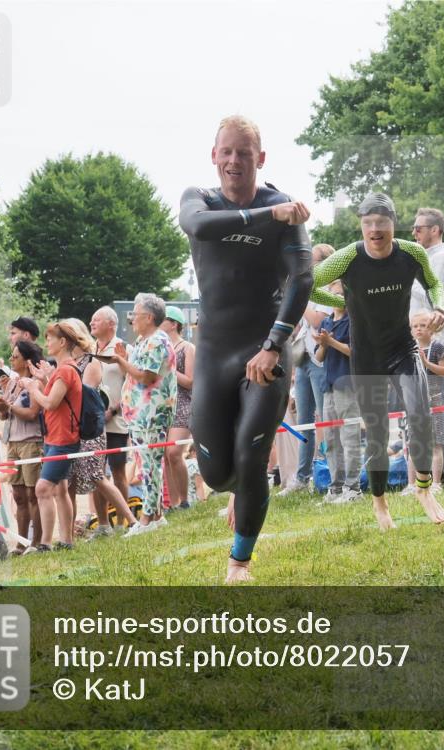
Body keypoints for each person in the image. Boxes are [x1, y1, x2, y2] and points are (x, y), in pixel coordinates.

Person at [178, 115, 313, 583]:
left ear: (261, 158)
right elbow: (197, 227)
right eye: (227, 152)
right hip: (215, 351)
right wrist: (264, 218)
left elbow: (304, 278)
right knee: (217, 473)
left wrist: (275, 345)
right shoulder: (201, 199)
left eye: (244, 152)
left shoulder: (283, 206)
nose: (235, 160)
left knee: (251, 453)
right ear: (214, 156)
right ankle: (237, 491)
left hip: (266, 351)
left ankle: (240, 562)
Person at [310, 192, 444, 531]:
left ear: (392, 224)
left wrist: (440, 307)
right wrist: (345, 300)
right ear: (361, 226)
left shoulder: (411, 252)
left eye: (381, 223)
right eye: (367, 223)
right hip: (366, 354)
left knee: (419, 414)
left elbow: (433, 283)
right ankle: (380, 503)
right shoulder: (347, 258)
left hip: (403, 347)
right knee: (376, 434)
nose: (374, 229)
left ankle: (425, 489)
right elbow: (309, 285)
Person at [60, 318, 137, 539]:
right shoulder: (72, 361)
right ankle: (92, 529)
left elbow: (82, 394)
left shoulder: (91, 360)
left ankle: (129, 522)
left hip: (97, 426)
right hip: (80, 428)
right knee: (80, 479)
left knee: (101, 475)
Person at [114, 294, 177, 535]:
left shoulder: (158, 341)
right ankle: (157, 514)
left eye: (135, 315)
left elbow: (147, 376)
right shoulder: (143, 340)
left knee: (150, 466)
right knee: (145, 464)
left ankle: (147, 518)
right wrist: (125, 359)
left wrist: (121, 360)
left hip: (152, 413)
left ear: (149, 317)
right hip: (138, 414)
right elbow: (136, 371)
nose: (132, 320)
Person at [410, 207, 444, 485]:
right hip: (420, 341)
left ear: (435, 230)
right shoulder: (424, 258)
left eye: (419, 228)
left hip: (433, 344)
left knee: (435, 408)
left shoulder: (440, 258)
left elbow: (433, 304)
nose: (414, 233)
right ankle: (428, 466)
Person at [23, 321, 85, 551]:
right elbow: (59, 398)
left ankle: (46, 543)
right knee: (60, 489)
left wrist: (33, 388)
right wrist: (45, 380)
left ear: (62, 342)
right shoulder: (63, 370)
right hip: (56, 437)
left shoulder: (66, 370)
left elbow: (50, 403)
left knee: (43, 488)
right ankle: (66, 541)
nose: (46, 342)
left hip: (62, 439)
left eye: (50, 338)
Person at [282, 244, 335, 495]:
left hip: (321, 361)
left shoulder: (331, 288)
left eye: (311, 261)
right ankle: (302, 478)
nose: (307, 266)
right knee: (304, 422)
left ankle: (332, 472)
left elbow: (318, 321)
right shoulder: (309, 287)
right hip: (303, 360)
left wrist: (300, 298)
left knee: (326, 419)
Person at [0, 340, 45, 554]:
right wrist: (1, 407)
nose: (11, 360)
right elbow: (5, 415)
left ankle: (37, 541)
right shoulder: (12, 382)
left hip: (32, 441)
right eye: (11, 356)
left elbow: (33, 413)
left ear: (27, 360)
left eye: (15, 357)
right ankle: (21, 542)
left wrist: (9, 407)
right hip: (12, 442)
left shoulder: (34, 382)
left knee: (33, 494)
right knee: (18, 495)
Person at [314, 281, 362, 504]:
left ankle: (353, 488)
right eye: (333, 294)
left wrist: (330, 341)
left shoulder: (354, 320)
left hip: (347, 385)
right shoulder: (325, 321)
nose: (337, 298)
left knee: (350, 437)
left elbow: (355, 352)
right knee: (331, 440)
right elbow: (318, 357)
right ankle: (335, 487)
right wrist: (324, 344)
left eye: (341, 294)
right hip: (328, 387)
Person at [89, 306, 131, 512]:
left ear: (111, 324)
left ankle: (125, 522)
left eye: (97, 319)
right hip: (93, 423)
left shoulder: (123, 348)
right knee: (96, 474)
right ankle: (103, 524)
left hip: (117, 422)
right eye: (91, 320)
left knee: (118, 472)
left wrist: (113, 410)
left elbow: (133, 384)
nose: (91, 323)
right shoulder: (89, 349)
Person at [403, 311, 444, 490]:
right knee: (414, 443)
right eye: (415, 326)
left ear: (431, 328)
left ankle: (436, 483)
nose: (419, 329)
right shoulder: (409, 349)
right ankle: (411, 484)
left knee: (436, 444)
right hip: (415, 400)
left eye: (423, 325)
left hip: (436, 399)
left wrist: (427, 363)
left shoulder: (438, 347)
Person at [161, 305, 196, 510]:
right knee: (165, 455)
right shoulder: (159, 348)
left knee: (174, 452)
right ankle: (172, 503)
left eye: (163, 319)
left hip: (183, 403)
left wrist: (168, 368)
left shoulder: (187, 348)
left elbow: (190, 381)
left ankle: (184, 500)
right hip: (162, 404)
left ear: (174, 324)